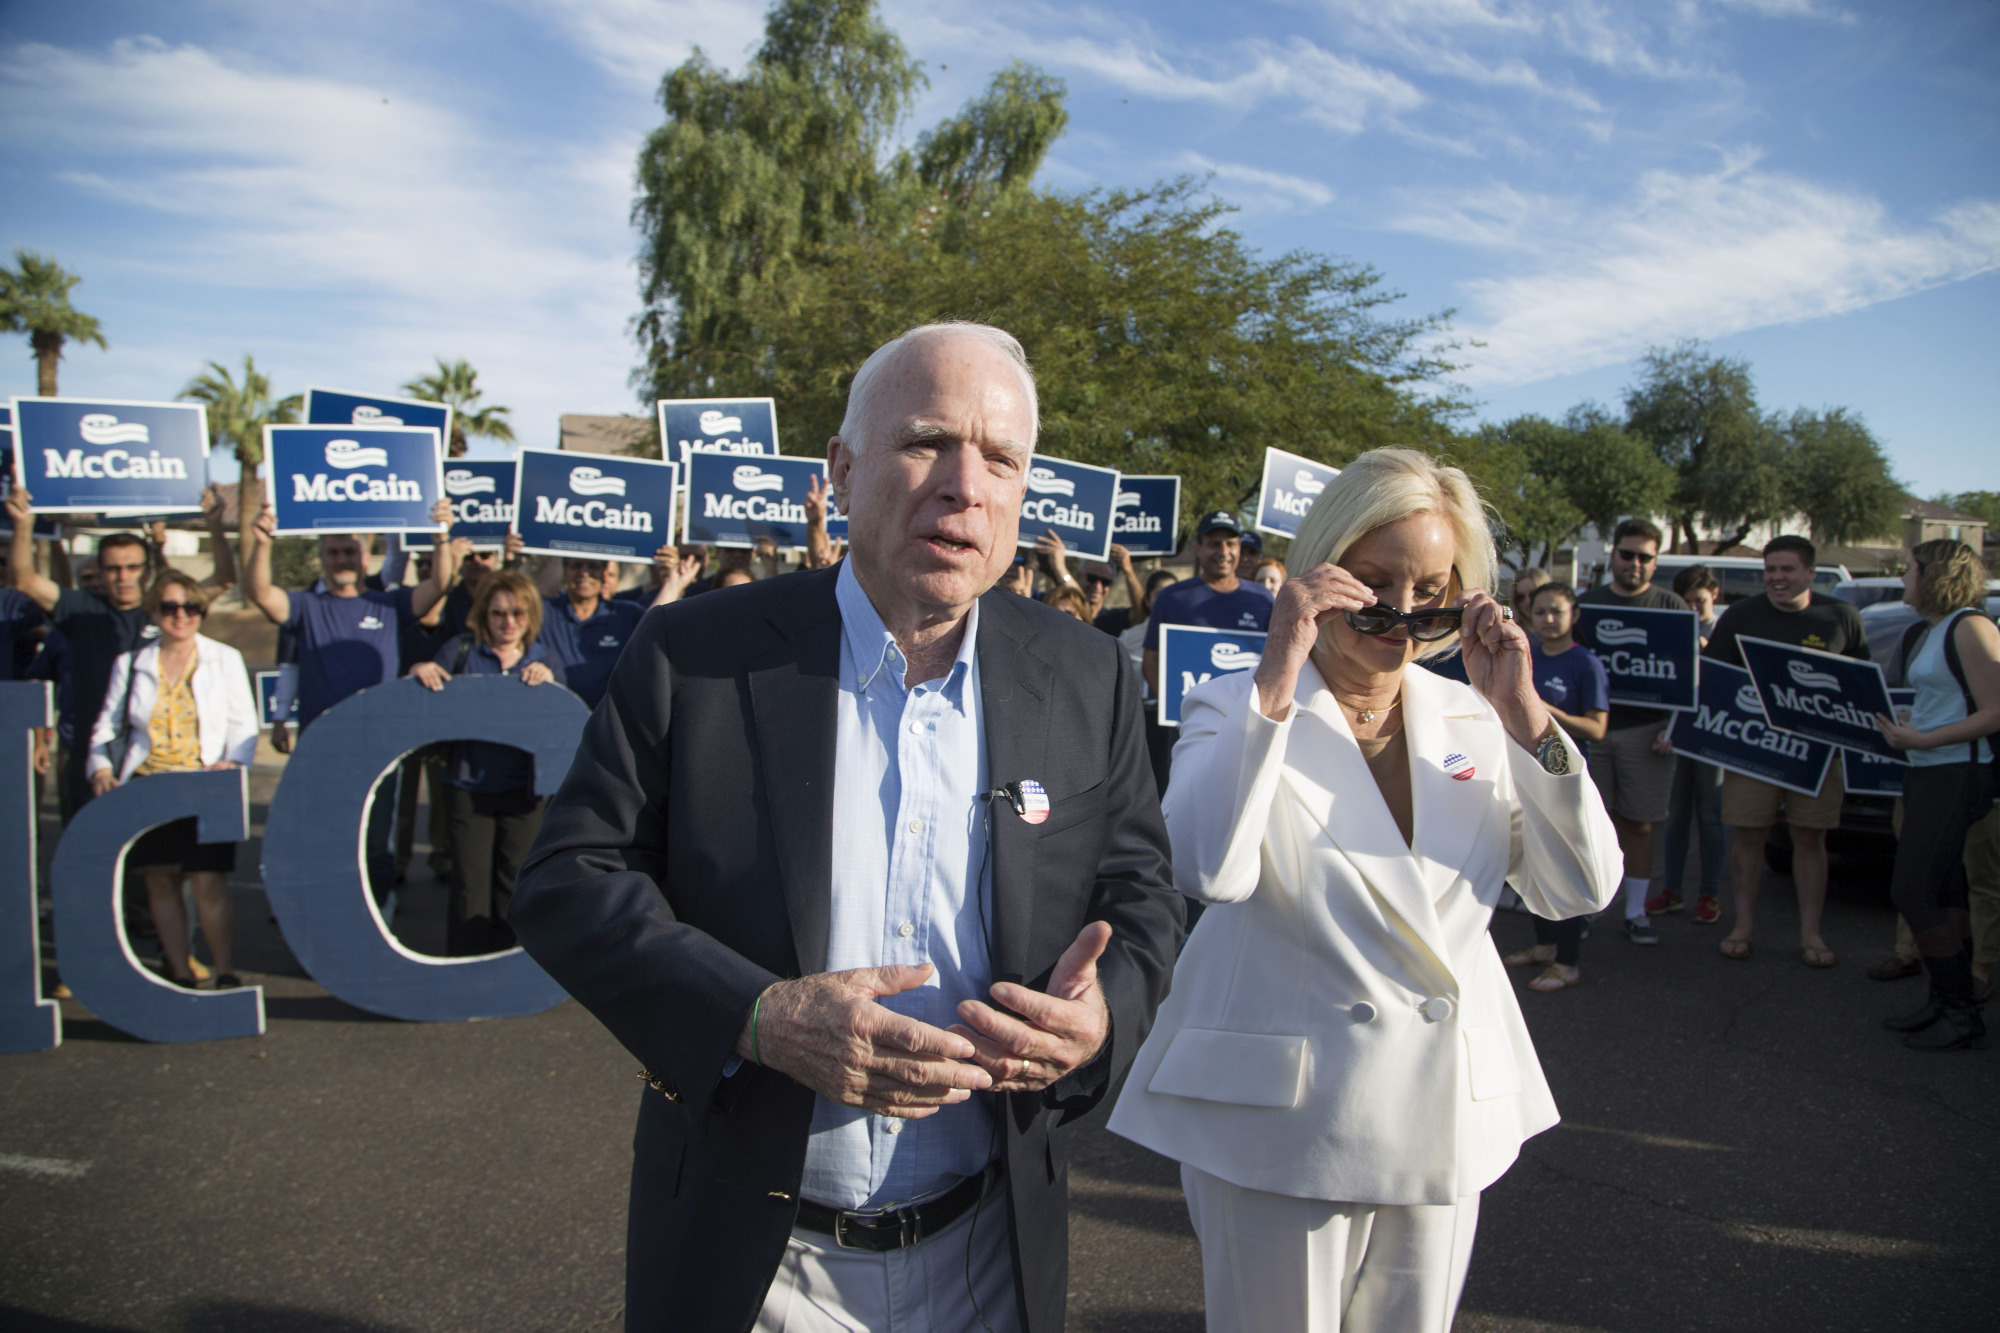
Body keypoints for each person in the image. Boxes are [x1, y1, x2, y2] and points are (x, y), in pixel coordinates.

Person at [509, 322, 1182, 1333]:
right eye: (925, 440)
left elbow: (1140, 895)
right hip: (759, 1265)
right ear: (840, 468)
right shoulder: (695, 651)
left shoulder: (1084, 674)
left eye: (999, 458)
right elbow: (568, 879)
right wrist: (756, 1015)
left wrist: (1099, 1018)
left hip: (991, 1258)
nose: (963, 483)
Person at [1107, 447, 1620, 1333]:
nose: (1401, 611)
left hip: (1444, 1106)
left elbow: (1577, 889)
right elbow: (1206, 868)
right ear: (1321, 568)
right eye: (1375, 580)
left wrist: (1529, 719)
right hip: (1282, 1120)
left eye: (1432, 590)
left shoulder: (1477, 715)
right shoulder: (1236, 704)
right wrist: (1277, 674)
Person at [243, 501, 456, 905]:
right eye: (333, 552)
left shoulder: (388, 604)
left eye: (350, 552)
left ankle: (378, 926)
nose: (342, 559)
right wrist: (261, 543)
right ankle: (327, 927)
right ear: (322, 556)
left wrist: (441, 537)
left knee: (376, 847)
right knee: (324, 844)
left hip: (377, 750)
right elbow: (260, 594)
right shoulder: (306, 606)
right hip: (321, 752)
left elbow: (439, 585)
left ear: (364, 556)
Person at [86, 572, 258, 987]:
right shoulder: (131, 664)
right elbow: (107, 726)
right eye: (169, 607)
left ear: (202, 610)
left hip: (204, 786)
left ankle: (223, 971)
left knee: (208, 883)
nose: (180, 616)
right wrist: (101, 767)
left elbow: (243, 724)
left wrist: (235, 764)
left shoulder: (224, 658)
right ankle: (179, 972)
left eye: (190, 607)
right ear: (153, 612)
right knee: (160, 882)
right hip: (149, 786)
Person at [1705, 534, 1867, 967]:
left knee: (1809, 838)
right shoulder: (1740, 616)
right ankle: (1743, 925)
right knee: (1750, 836)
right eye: (1770, 570)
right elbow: (1716, 681)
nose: (1777, 578)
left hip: (1816, 758)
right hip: (1753, 749)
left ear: (1811, 572)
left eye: (1787, 570)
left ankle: (1811, 932)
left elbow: (1861, 686)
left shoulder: (1840, 617)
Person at [1874, 540, 2000, 1050]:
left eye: (1909, 569)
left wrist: (1924, 737)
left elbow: (1994, 711)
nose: (1903, 576)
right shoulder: (1934, 629)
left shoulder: (1972, 626)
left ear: (1934, 574)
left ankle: (1961, 1011)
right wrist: (1915, 723)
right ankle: (1949, 1001)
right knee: (1944, 890)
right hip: (1928, 770)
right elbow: (1951, 702)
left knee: (1912, 891)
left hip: (1956, 775)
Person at [411, 569, 567, 956]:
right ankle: (466, 963)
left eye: (517, 613)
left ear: (530, 616)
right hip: (468, 788)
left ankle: (504, 963)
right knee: (469, 885)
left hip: (524, 791)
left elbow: (562, 722)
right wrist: (419, 671)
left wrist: (551, 683)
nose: (508, 622)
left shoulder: (543, 658)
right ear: (485, 614)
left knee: (514, 883)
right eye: (498, 613)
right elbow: (422, 700)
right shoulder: (460, 652)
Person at [9, 488, 160, 819]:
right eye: (112, 569)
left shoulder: (169, 610)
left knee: (154, 868)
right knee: (85, 856)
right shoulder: (81, 610)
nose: (123, 577)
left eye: (133, 567)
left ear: (147, 569)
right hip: (89, 753)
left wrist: (215, 528)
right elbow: (24, 580)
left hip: (155, 756)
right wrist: (23, 524)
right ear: (101, 570)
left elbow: (222, 580)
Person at [1577, 519, 1689, 947]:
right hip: (1593, 734)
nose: (1635, 564)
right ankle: (1586, 911)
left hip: (1649, 734)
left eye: (1645, 557)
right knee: (1590, 825)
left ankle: (1637, 910)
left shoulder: (1672, 608)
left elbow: (1688, 682)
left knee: (1639, 825)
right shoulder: (1588, 604)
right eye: (1628, 554)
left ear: (1656, 562)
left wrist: (1676, 729)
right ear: (1613, 555)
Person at [1501, 580, 1610, 991]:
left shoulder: (1585, 664)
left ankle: (1568, 960)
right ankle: (1544, 945)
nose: (1548, 619)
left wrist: (1544, 711)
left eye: (1557, 612)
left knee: (1563, 862)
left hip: (1564, 776)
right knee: (1535, 857)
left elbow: (1597, 729)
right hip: (1526, 772)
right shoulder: (1528, 655)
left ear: (1574, 616)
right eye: (1541, 611)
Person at [1141, 511, 1276, 794]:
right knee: (1181, 798)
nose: (1224, 552)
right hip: (1185, 729)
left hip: (1245, 728)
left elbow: (1274, 663)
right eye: (1215, 543)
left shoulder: (1261, 599)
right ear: (1199, 547)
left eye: (1231, 544)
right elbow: (1151, 660)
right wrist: (1174, 713)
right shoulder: (1173, 597)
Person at [1656, 564, 1729, 923]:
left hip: (1713, 734)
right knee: (1676, 817)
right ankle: (1672, 889)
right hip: (1676, 736)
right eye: (1686, 602)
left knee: (1712, 818)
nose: (1693, 609)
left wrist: (1707, 650)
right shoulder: (1674, 629)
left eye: (1698, 601)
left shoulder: (1724, 630)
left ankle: (1710, 893)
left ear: (1714, 594)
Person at [537, 559, 646, 710]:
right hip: (553, 714)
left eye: (593, 567)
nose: (584, 573)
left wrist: (674, 580)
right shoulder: (543, 612)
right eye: (576, 566)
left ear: (604, 574)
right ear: (564, 571)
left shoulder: (627, 614)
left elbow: (657, 629)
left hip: (608, 721)